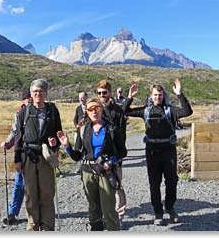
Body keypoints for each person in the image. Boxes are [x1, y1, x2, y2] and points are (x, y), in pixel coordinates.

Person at [124, 79, 193, 225]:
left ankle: (170, 208)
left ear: (163, 96)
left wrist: (180, 94)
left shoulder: (170, 110)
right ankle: (158, 213)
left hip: (169, 152)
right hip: (152, 153)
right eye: (155, 95)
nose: (157, 97)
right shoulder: (146, 110)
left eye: (160, 95)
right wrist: (130, 98)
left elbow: (187, 111)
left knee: (172, 182)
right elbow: (125, 111)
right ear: (151, 96)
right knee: (154, 183)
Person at [57, 98, 123, 231]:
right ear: (86, 112)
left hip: (106, 172)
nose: (94, 112)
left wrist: (112, 160)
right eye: (90, 109)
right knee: (93, 208)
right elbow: (77, 156)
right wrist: (67, 146)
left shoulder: (111, 128)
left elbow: (123, 151)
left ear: (101, 110)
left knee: (109, 208)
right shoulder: (82, 129)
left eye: (97, 108)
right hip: (88, 171)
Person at [14, 79, 62, 231]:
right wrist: (17, 158)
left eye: (40, 91)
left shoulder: (52, 111)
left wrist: (56, 144)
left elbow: (59, 133)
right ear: (31, 94)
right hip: (28, 157)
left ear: (46, 93)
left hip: (46, 158)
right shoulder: (24, 112)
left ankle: (48, 227)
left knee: (47, 193)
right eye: (35, 92)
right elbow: (18, 137)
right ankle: (33, 226)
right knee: (31, 194)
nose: (38, 94)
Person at [96, 80, 127, 222]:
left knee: (117, 184)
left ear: (110, 93)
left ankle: (119, 214)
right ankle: (104, 214)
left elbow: (122, 134)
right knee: (100, 187)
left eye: (104, 92)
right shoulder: (94, 109)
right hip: (97, 155)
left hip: (114, 154)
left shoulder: (118, 111)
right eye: (99, 93)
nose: (102, 95)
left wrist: (120, 154)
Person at [0, 88, 32, 225]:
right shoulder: (19, 114)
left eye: (31, 96)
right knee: (19, 184)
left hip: (38, 155)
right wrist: (8, 142)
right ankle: (12, 213)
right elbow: (15, 132)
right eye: (28, 97)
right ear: (24, 99)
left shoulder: (43, 111)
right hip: (23, 152)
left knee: (36, 185)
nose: (30, 99)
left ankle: (37, 211)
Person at [72, 92, 87, 173]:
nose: (81, 99)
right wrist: (76, 125)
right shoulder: (78, 108)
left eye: (83, 97)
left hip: (87, 132)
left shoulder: (89, 107)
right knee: (77, 148)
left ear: (86, 98)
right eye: (80, 97)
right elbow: (75, 119)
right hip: (79, 131)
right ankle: (79, 166)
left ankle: (86, 165)